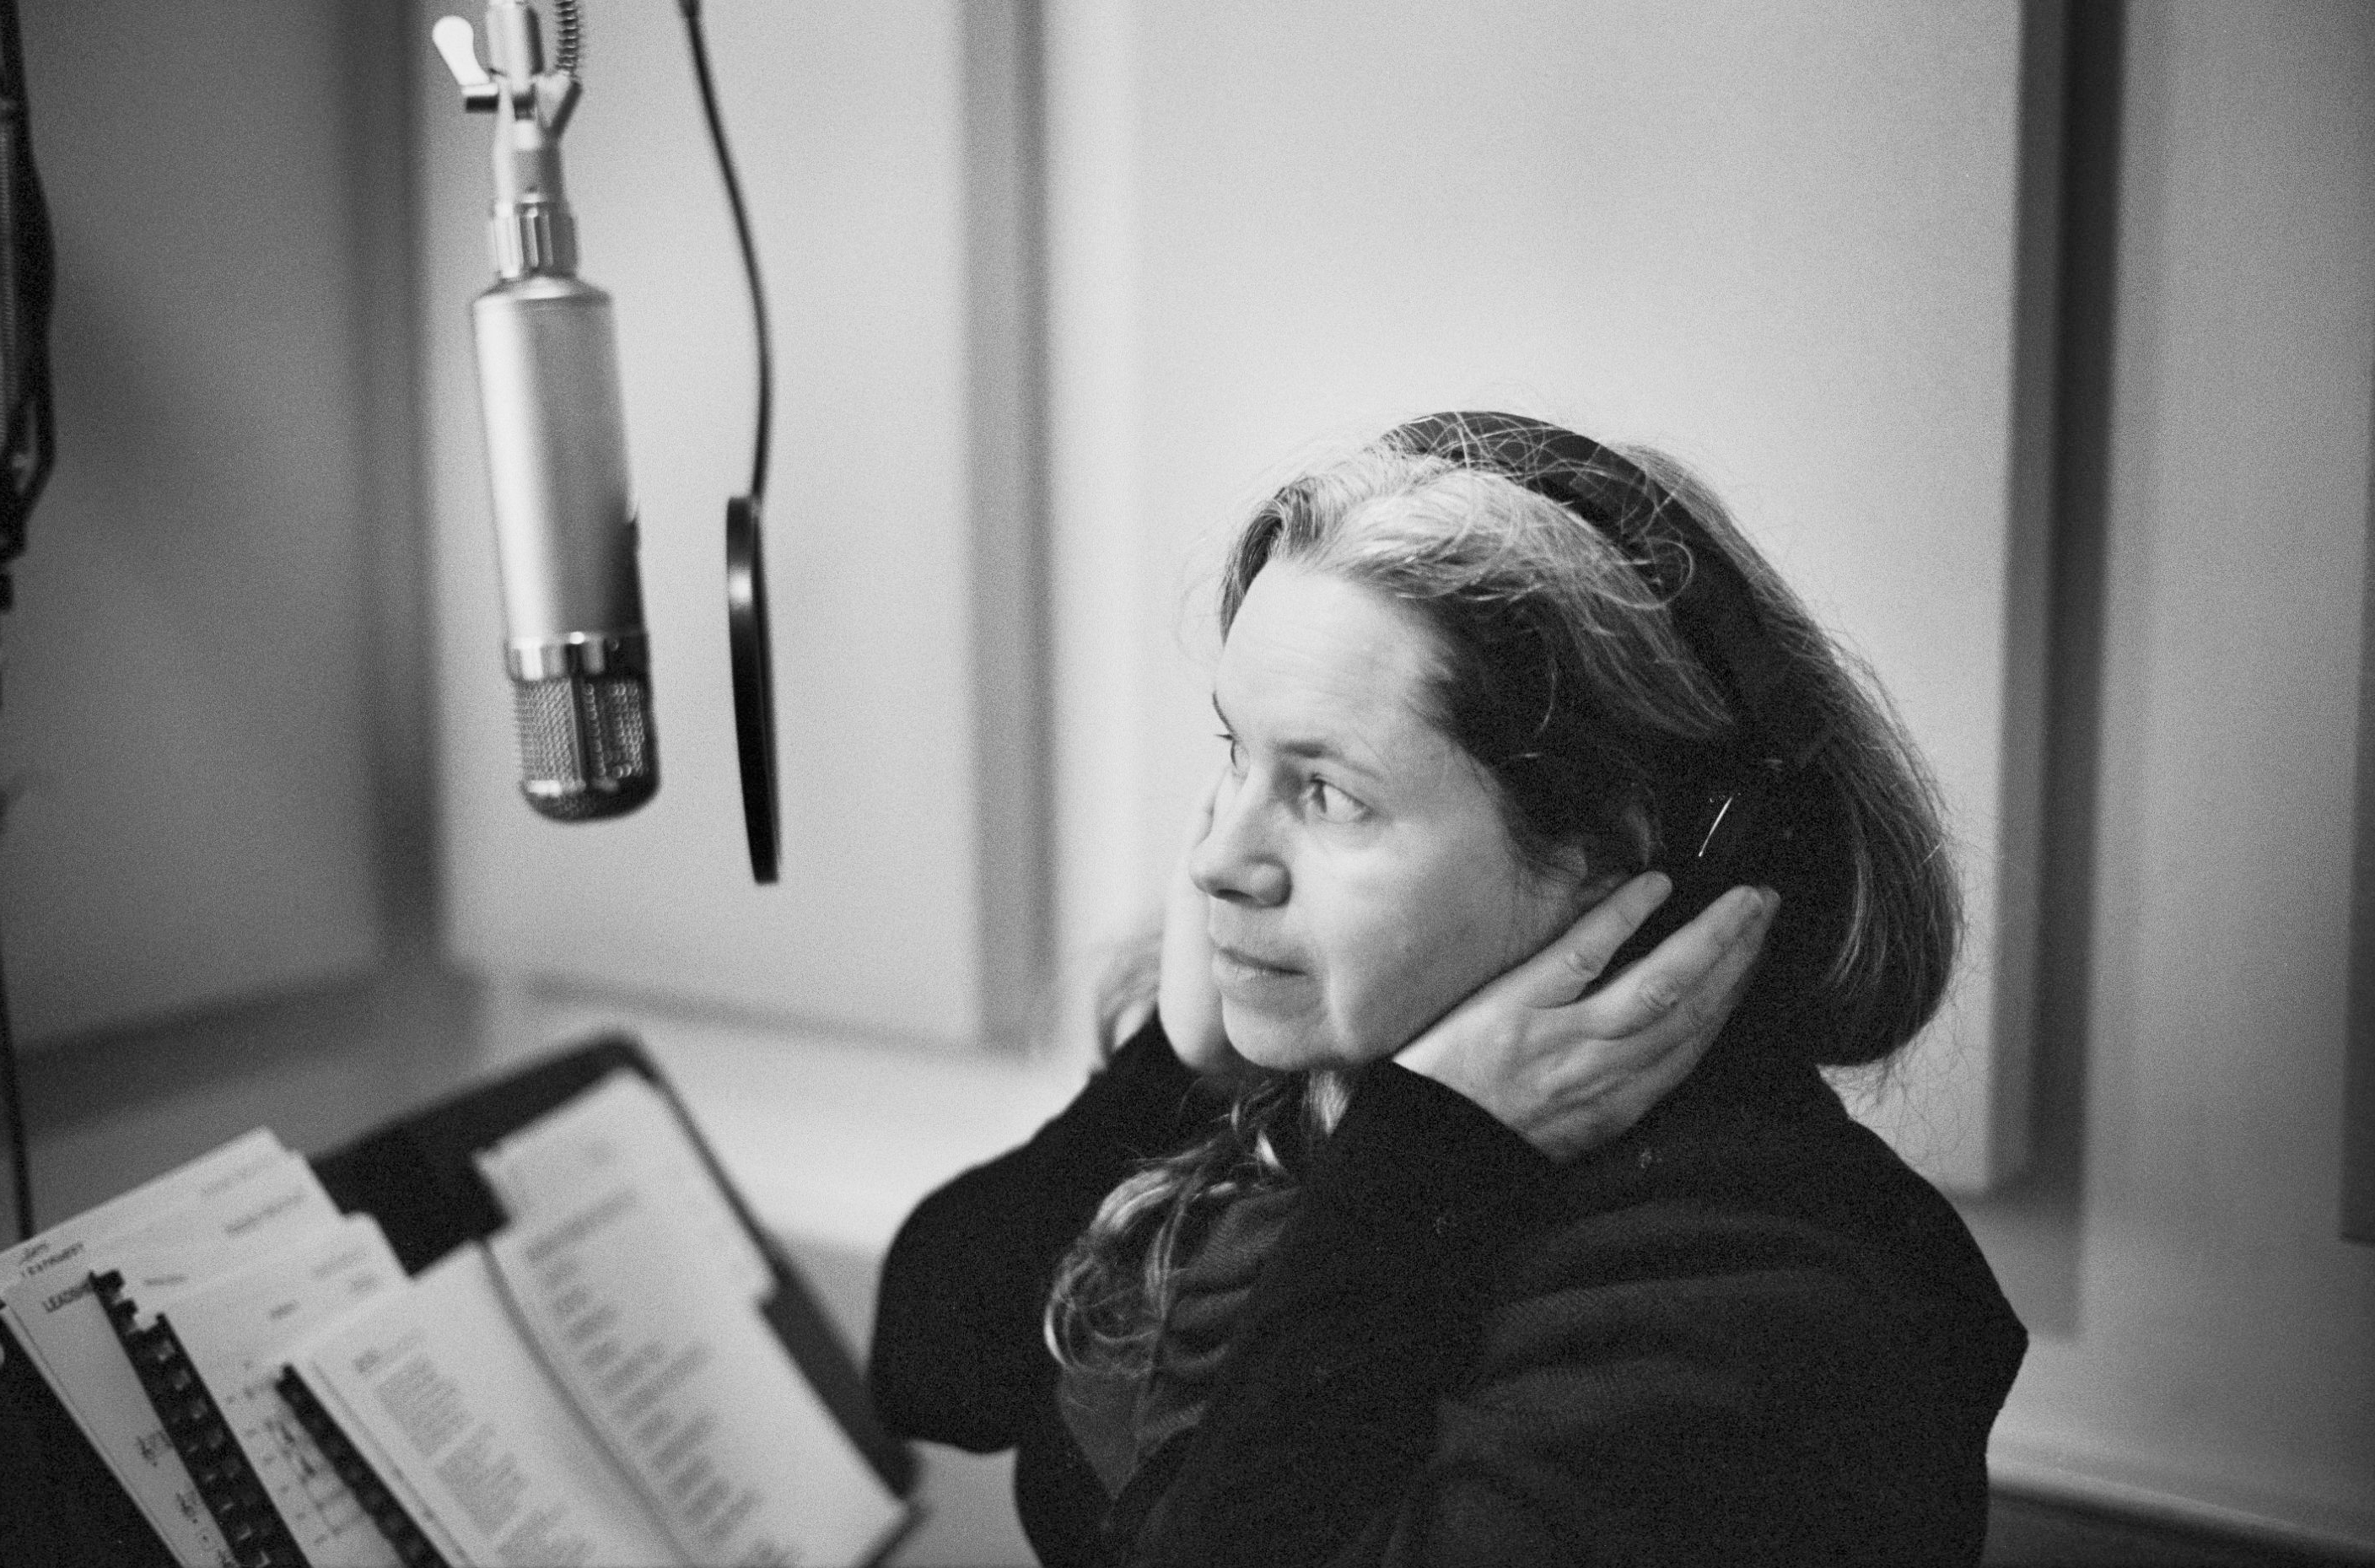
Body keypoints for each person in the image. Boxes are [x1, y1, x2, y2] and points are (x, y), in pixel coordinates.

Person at [869, 412, 2028, 1566]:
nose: (1221, 858)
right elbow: (929, 1362)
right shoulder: (1336, 1084)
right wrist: (1179, 1062)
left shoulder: (1762, 1320)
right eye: (1237, 754)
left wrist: (1425, 1162)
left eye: (1327, 794)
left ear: (1613, 858)